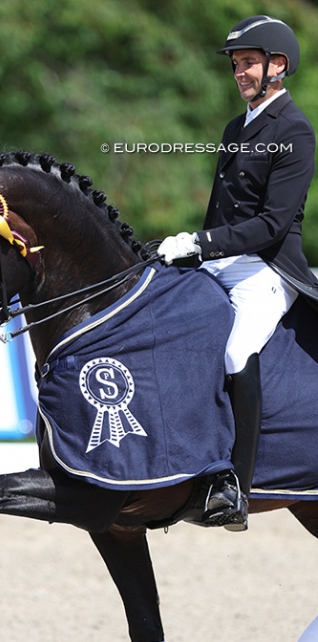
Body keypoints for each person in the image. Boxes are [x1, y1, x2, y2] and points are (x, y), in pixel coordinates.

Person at [157, 15, 318, 532]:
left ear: (278, 65)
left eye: (248, 62)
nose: (239, 72)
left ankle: (236, 487)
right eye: (236, 63)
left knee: (234, 349)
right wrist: (186, 252)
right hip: (221, 261)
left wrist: (202, 244)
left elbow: (272, 225)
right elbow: (219, 213)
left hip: (266, 271)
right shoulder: (235, 128)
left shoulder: (295, 131)